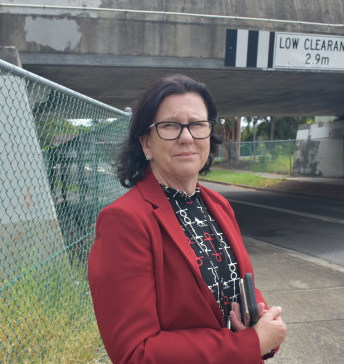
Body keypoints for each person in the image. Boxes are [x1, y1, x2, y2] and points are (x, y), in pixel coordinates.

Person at [88, 74, 287, 364]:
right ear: (146, 144)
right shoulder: (124, 221)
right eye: (170, 125)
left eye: (197, 124)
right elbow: (135, 353)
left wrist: (262, 321)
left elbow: (239, 283)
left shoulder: (218, 205)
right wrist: (250, 343)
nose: (187, 137)